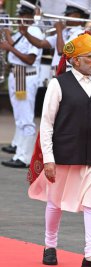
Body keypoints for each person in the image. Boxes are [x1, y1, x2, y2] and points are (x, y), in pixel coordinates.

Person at [27, 33, 91, 267]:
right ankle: (50, 245)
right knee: (55, 203)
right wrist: (48, 159)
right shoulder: (58, 83)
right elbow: (46, 124)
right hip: (64, 154)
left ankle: (90, 256)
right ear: (75, 61)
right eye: (90, 57)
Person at [1, 0, 43, 168]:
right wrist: (6, 34)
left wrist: (9, 48)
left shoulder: (34, 31)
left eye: (21, 15)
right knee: (19, 117)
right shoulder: (23, 31)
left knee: (26, 118)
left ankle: (24, 157)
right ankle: (19, 151)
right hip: (18, 75)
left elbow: (30, 59)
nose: (18, 18)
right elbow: (13, 45)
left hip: (25, 75)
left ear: (28, 16)